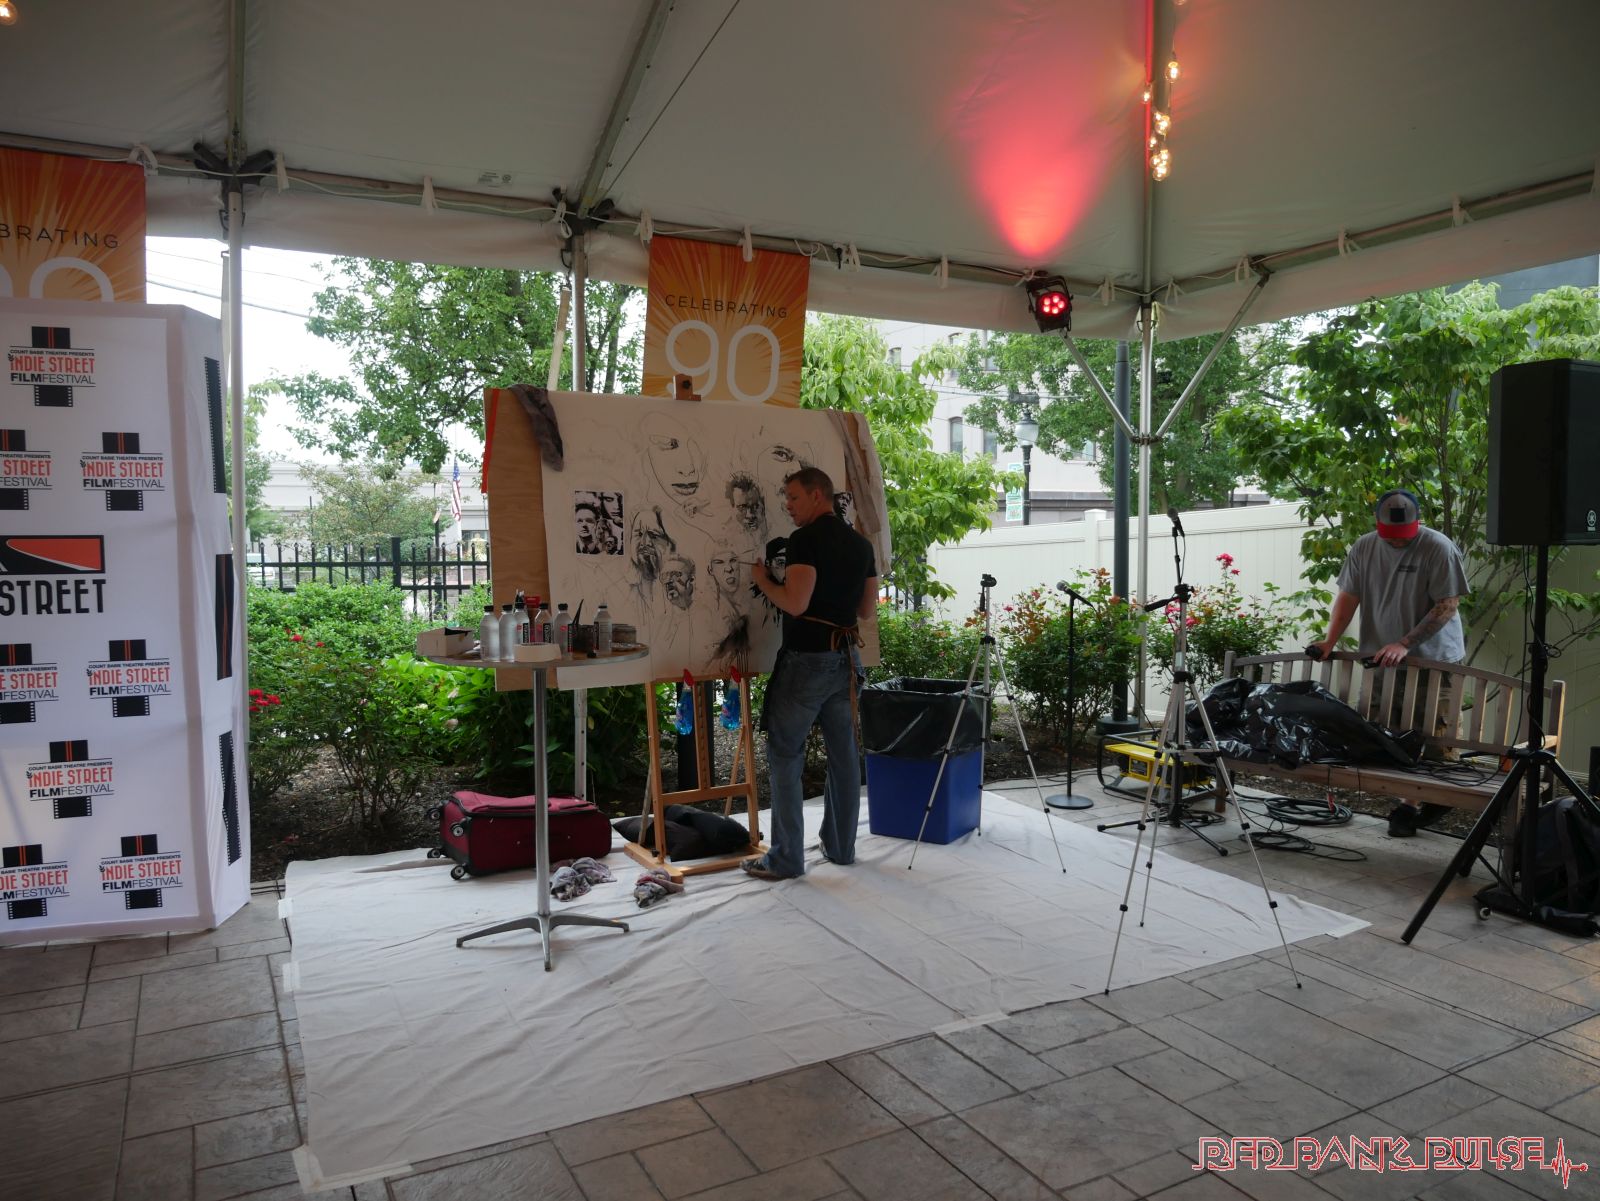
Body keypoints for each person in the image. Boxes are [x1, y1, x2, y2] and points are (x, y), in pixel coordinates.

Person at [1308, 488, 1469, 837]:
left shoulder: (1438, 547)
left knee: (1435, 735)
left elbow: (1447, 605)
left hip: (1434, 660)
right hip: (1383, 659)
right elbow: (1348, 596)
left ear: (1418, 522)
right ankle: (1407, 805)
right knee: (1388, 732)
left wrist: (1405, 643)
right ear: (1377, 523)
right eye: (1390, 534)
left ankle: (1435, 798)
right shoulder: (1364, 547)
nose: (1397, 541)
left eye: (1404, 534)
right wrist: (1330, 640)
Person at [743, 467, 877, 880]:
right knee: (844, 756)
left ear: (818, 495)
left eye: (794, 497)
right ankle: (840, 847)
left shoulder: (804, 540)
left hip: (808, 660)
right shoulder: (861, 544)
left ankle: (785, 859)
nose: (788, 505)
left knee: (785, 754)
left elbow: (796, 603)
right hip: (846, 660)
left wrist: (763, 580)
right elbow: (866, 610)